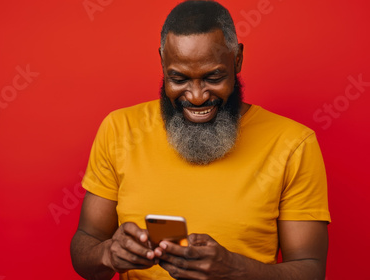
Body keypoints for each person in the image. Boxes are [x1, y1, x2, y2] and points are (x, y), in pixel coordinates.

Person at [70, 1, 331, 279]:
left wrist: (236, 270)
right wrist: (108, 254)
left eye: (213, 76)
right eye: (179, 78)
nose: (196, 96)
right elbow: (86, 247)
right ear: (162, 61)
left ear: (237, 59)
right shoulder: (119, 129)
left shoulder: (293, 144)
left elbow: (310, 269)